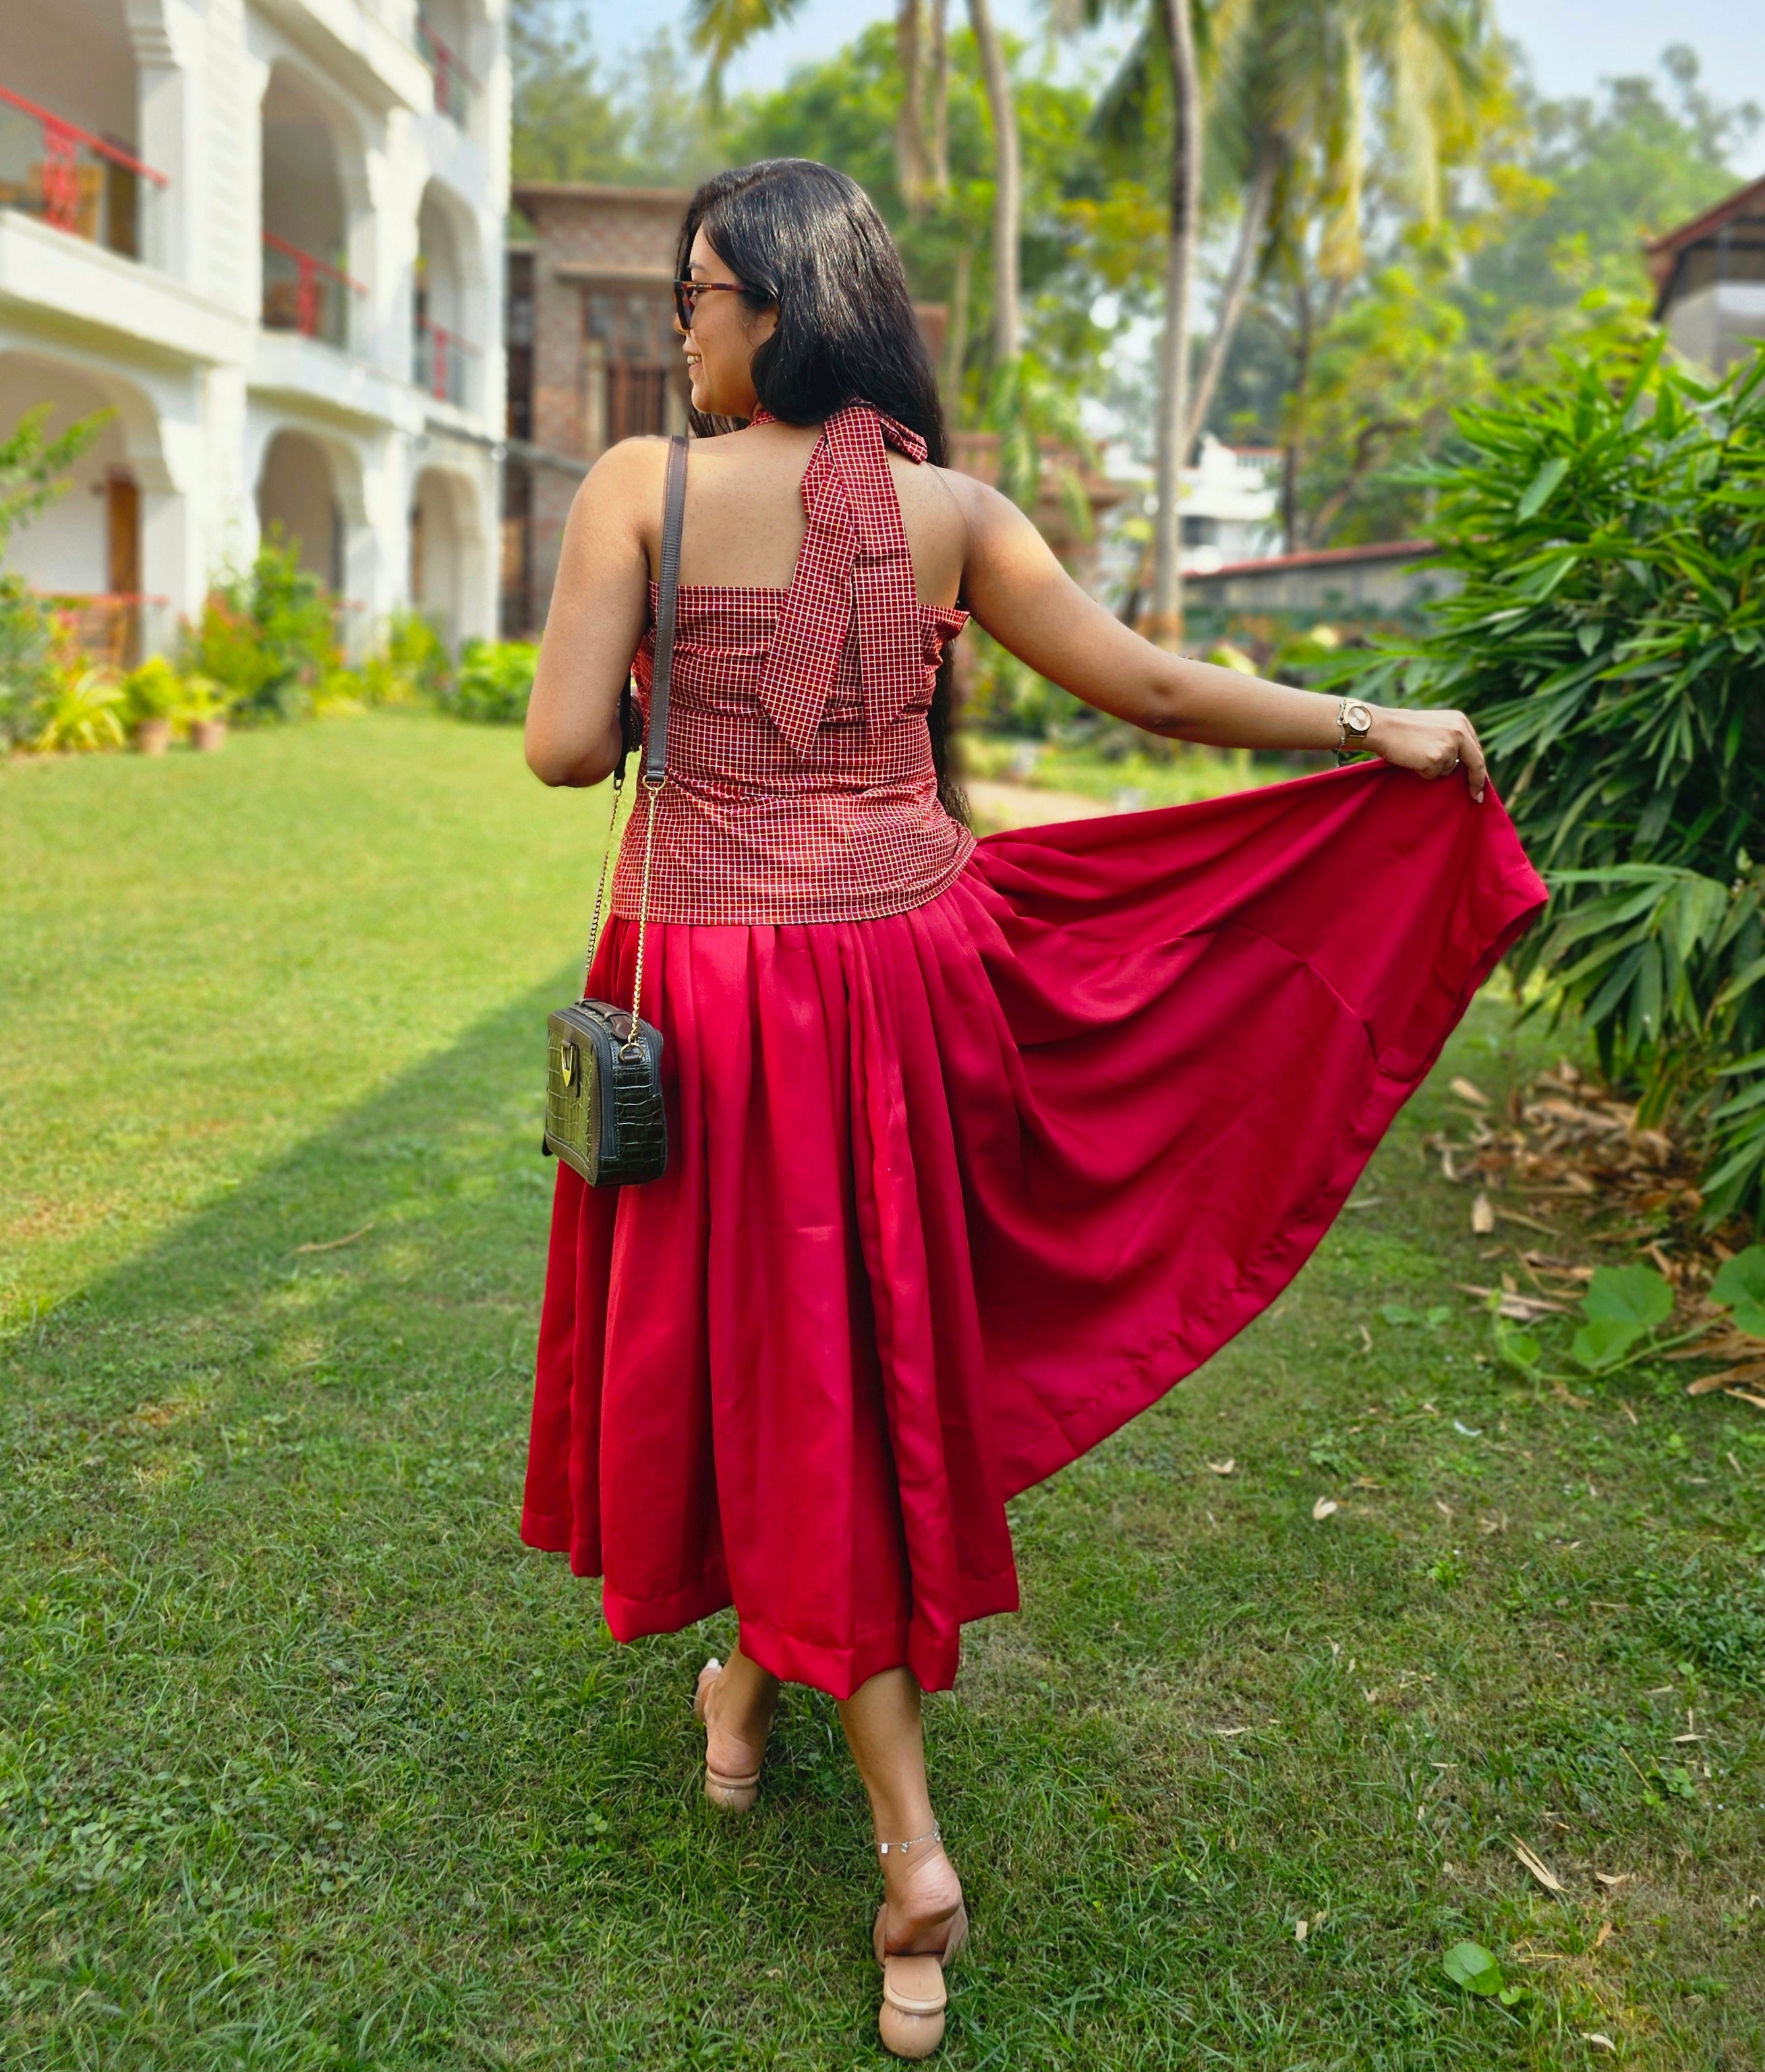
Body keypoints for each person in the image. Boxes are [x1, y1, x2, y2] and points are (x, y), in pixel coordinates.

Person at [521, 158, 1544, 2058]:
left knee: (766, 1358)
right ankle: (747, 1689)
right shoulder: (952, 509)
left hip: (726, 991)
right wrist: (1362, 725)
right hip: (909, 971)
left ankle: (909, 1847)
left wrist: (699, 695)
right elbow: (1145, 685)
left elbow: (567, 744)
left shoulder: (632, 491)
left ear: (775, 309)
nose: (679, 325)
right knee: (836, 1359)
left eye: (696, 296)